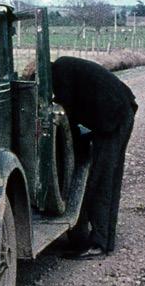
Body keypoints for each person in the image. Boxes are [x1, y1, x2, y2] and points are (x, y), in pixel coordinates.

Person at [50, 56, 138, 260]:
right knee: (109, 178)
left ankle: (99, 243)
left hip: (113, 117)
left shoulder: (60, 73)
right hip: (119, 111)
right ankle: (104, 239)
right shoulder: (64, 67)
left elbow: (67, 115)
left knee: (101, 179)